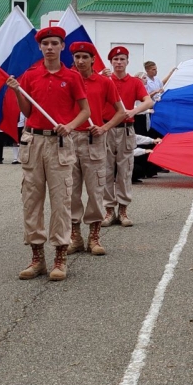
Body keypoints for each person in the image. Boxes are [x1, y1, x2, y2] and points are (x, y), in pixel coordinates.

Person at [6, 27, 90, 281]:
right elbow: (27, 111)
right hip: (33, 141)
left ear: (63, 46)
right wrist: (17, 90)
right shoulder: (31, 75)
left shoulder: (72, 77)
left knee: (61, 202)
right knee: (31, 200)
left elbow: (85, 111)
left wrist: (71, 126)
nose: (50, 47)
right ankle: (37, 257)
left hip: (60, 143)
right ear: (40, 47)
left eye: (54, 43)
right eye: (45, 43)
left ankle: (60, 257)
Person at [68, 42, 126, 257]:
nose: (80, 61)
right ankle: (75, 237)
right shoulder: (66, 80)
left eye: (85, 57)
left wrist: (104, 127)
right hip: (70, 139)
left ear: (93, 59)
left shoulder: (104, 82)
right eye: (77, 57)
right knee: (70, 191)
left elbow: (121, 112)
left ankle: (94, 236)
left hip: (94, 139)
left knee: (96, 190)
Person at [102, 46, 154, 227]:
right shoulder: (104, 80)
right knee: (106, 171)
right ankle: (109, 210)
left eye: (122, 59)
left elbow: (148, 101)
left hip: (126, 129)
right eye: (115, 60)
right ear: (111, 62)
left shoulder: (134, 82)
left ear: (127, 62)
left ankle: (123, 209)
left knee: (124, 170)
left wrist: (134, 110)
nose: (118, 63)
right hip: (106, 128)